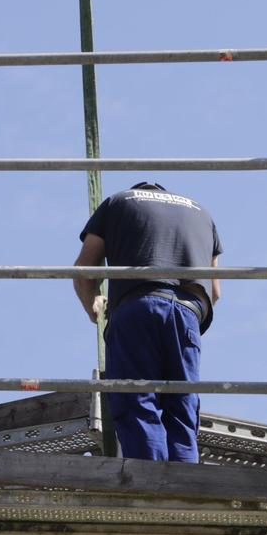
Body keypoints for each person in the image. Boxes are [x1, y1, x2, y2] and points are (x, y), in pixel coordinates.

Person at [73, 182, 222, 462]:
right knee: (182, 405)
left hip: (137, 306)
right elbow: (215, 292)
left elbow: (85, 269)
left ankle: (151, 481)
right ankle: (184, 484)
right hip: (188, 312)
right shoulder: (202, 213)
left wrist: (92, 301)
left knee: (137, 401)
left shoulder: (118, 202)